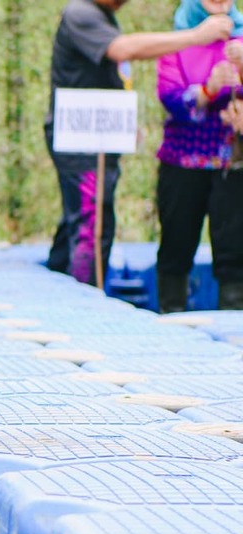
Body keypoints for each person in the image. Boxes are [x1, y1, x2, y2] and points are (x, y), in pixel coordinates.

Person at [44, 0, 233, 286]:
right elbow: (123, 49)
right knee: (92, 224)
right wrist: (197, 37)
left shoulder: (103, 16)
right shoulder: (80, 12)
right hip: (82, 139)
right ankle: (83, 300)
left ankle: (59, 283)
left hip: (99, 137)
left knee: (84, 216)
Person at [154, 0, 243, 312]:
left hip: (233, 164)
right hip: (182, 161)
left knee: (234, 250)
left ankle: (235, 326)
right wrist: (208, 90)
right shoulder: (177, 42)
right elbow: (171, 98)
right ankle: (170, 313)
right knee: (177, 243)